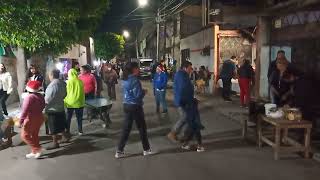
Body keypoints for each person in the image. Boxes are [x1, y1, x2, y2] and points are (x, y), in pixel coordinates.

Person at [115, 62, 156, 158]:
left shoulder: (125, 79)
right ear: (133, 69)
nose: (139, 70)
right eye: (138, 68)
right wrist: (143, 92)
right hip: (135, 106)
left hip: (126, 105)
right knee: (142, 128)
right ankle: (146, 149)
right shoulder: (135, 80)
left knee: (126, 129)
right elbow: (138, 95)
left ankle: (119, 151)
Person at [167, 61, 204, 152]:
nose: (191, 70)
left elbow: (186, 89)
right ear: (185, 68)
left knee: (189, 122)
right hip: (184, 102)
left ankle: (185, 141)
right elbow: (184, 90)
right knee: (188, 119)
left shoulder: (182, 75)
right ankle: (175, 133)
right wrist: (191, 99)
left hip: (185, 101)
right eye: (190, 68)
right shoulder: (182, 76)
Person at [45, 69, 70, 150]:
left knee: (53, 127)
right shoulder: (63, 83)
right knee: (61, 124)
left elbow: (48, 99)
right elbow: (65, 94)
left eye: (49, 75)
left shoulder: (52, 85)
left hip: (52, 109)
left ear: (52, 75)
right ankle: (65, 137)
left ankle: (55, 143)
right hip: (60, 107)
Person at [20, 81, 45, 159]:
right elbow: (43, 105)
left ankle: (37, 149)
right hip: (40, 117)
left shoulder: (29, 97)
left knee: (24, 136)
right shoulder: (40, 95)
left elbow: (25, 110)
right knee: (34, 134)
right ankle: (35, 152)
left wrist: (20, 121)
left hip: (31, 118)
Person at [64, 68, 85, 135]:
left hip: (70, 103)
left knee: (68, 118)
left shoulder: (68, 82)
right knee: (79, 118)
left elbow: (65, 92)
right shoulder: (80, 81)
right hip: (79, 102)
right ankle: (80, 131)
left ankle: (67, 131)